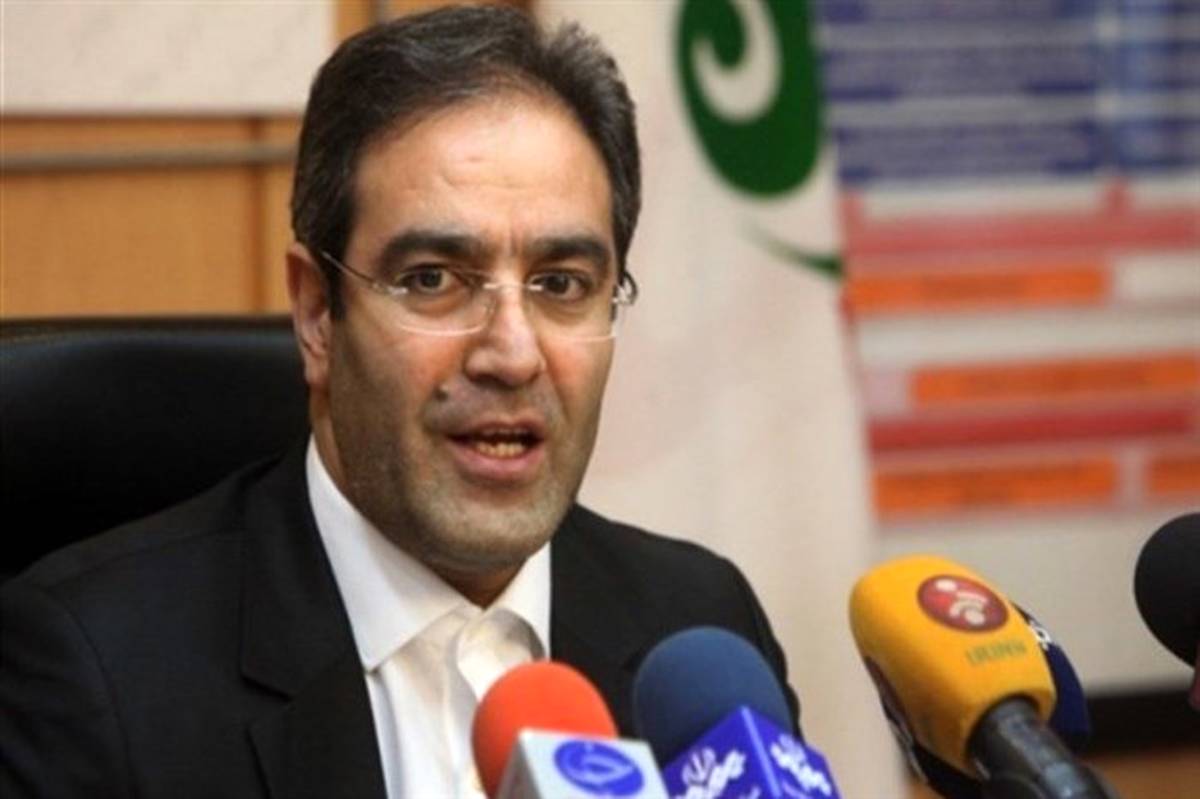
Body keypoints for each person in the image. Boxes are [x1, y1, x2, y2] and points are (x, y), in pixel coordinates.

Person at [0, 6, 798, 798]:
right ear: (317, 314)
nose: (513, 354)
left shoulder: (699, 630)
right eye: (433, 279)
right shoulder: (96, 671)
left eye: (561, 284)